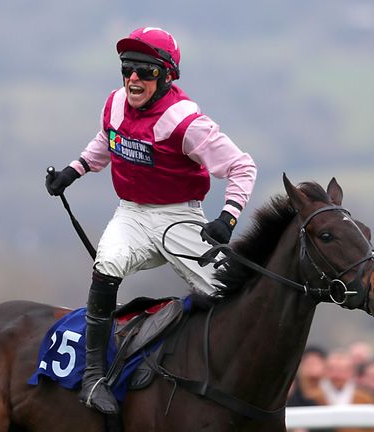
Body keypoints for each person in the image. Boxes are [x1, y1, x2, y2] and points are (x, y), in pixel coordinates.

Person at [45, 26, 257, 414]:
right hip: (132, 213)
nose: (134, 79)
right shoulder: (114, 103)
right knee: (106, 265)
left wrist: (227, 219)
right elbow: (108, 139)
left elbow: (242, 167)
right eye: (127, 69)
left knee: (230, 294)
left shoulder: (186, 121)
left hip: (180, 217)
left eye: (146, 71)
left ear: (168, 75)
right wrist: (73, 171)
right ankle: (94, 377)